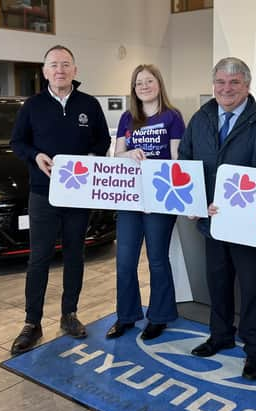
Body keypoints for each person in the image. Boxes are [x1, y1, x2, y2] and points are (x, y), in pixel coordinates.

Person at [9, 45, 110, 355]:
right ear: (45, 72)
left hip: (78, 194)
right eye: (54, 65)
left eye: (66, 65)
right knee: (38, 258)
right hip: (43, 193)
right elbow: (17, 142)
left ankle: (69, 314)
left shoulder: (89, 105)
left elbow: (103, 140)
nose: (60, 70)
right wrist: (35, 155)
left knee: (75, 255)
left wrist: (92, 159)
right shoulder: (32, 106)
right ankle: (32, 322)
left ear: (75, 70)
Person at [178, 57, 256, 380]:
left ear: (247, 85)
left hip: (247, 226)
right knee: (217, 282)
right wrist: (194, 201)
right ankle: (220, 336)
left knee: (253, 287)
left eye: (234, 82)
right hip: (211, 222)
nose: (226, 88)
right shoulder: (201, 117)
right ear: (213, 84)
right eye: (220, 82)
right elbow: (185, 160)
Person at [105, 64, 185, 341]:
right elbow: (117, 154)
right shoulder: (128, 117)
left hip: (159, 198)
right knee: (125, 261)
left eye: (149, 81)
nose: (144, 86)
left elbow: (177, 161)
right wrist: (130, 154)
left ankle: (159, 316)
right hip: (130, 197)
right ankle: (126, 315)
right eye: (139, 83)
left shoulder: (172, 117)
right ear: (134, 89)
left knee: (157, 259)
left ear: (159, 84)